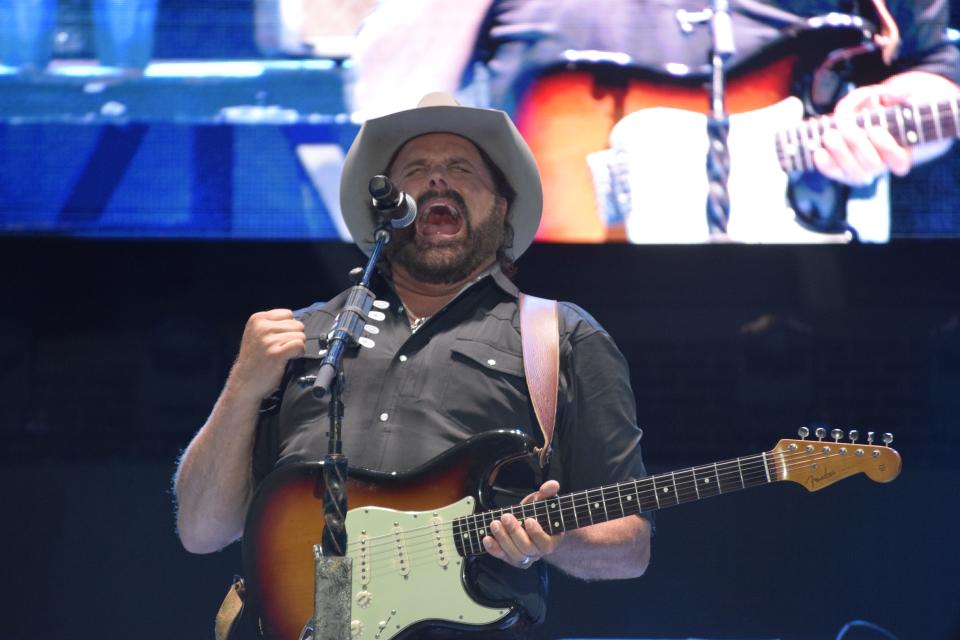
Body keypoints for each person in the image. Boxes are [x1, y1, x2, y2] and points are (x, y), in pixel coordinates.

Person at [174, 92, 652, 635]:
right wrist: (241, 387)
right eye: (417, 170)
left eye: (460, 168)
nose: (437, 181)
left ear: (502, 204)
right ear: (385, 206)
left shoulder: (562, 337)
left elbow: (629, 545)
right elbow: (200, 530)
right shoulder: (298, 335)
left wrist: (561, 539)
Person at [351, 0, 960, 243]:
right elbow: (382, 100)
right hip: (548, 299)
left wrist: (894, 115)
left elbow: (932, 64)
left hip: (795, 293)